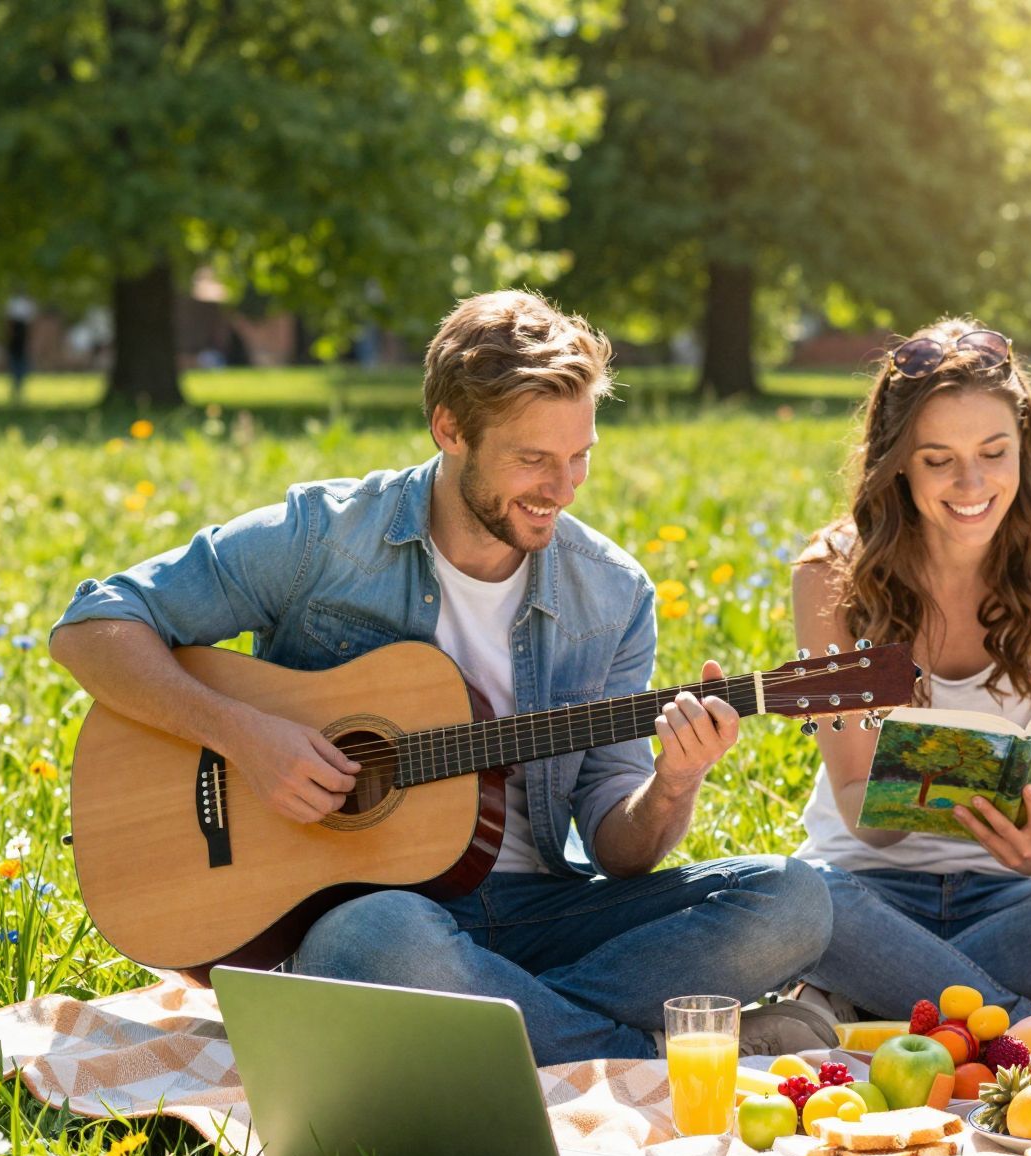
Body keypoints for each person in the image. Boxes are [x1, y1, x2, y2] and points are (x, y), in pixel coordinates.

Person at [50, 290, 832, 1066]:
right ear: (450, 429)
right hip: (370, 917)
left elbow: (618, 851)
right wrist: (247, 737)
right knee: (374, 940)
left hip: (541, 910)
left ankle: (491, 1014)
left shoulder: (612, 595)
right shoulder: (324, 536)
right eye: (533, 459)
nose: (561, 490)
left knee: (791, 900)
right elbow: (91, 628)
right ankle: (633, 1049)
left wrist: (673, 785)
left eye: (579, 457)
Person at [787, 318, 1031, 1023]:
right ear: (897, 461)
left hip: (1007, 898)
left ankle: (869, 997)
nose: (972, 483)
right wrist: (912, 788)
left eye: (995, 452)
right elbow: (857, 812)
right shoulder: (829, 575)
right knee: (791, 897)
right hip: (862, 885)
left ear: (1025, 443)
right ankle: (1017, 1025)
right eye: (939, 460)